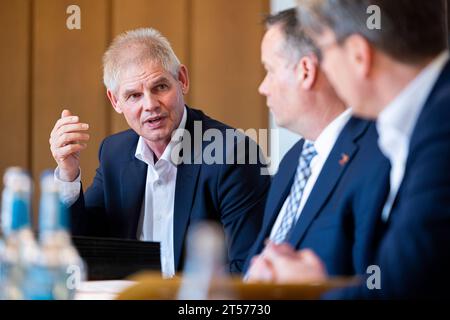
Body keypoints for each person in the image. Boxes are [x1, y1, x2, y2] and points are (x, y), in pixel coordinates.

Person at [260, 0, 450, 299]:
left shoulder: (440, 130)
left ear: (360, 56)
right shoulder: (418, 124)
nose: (324, 69)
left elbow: (402, 290)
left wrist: (313, 289)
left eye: (324, 50)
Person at [48, 28, 270, 277]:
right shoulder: (115, 153)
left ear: (182, 80)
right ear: (115, 101)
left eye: (160, 87)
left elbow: (247, 269)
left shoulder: (232, 153)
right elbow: (83, 246)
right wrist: (68, 173)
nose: (150, 105)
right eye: (133, 95)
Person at [244, 8, 390, 281]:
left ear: (306, 71)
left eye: (270, 71)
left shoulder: (377, 156)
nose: (263, 87)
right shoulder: (292, 160)